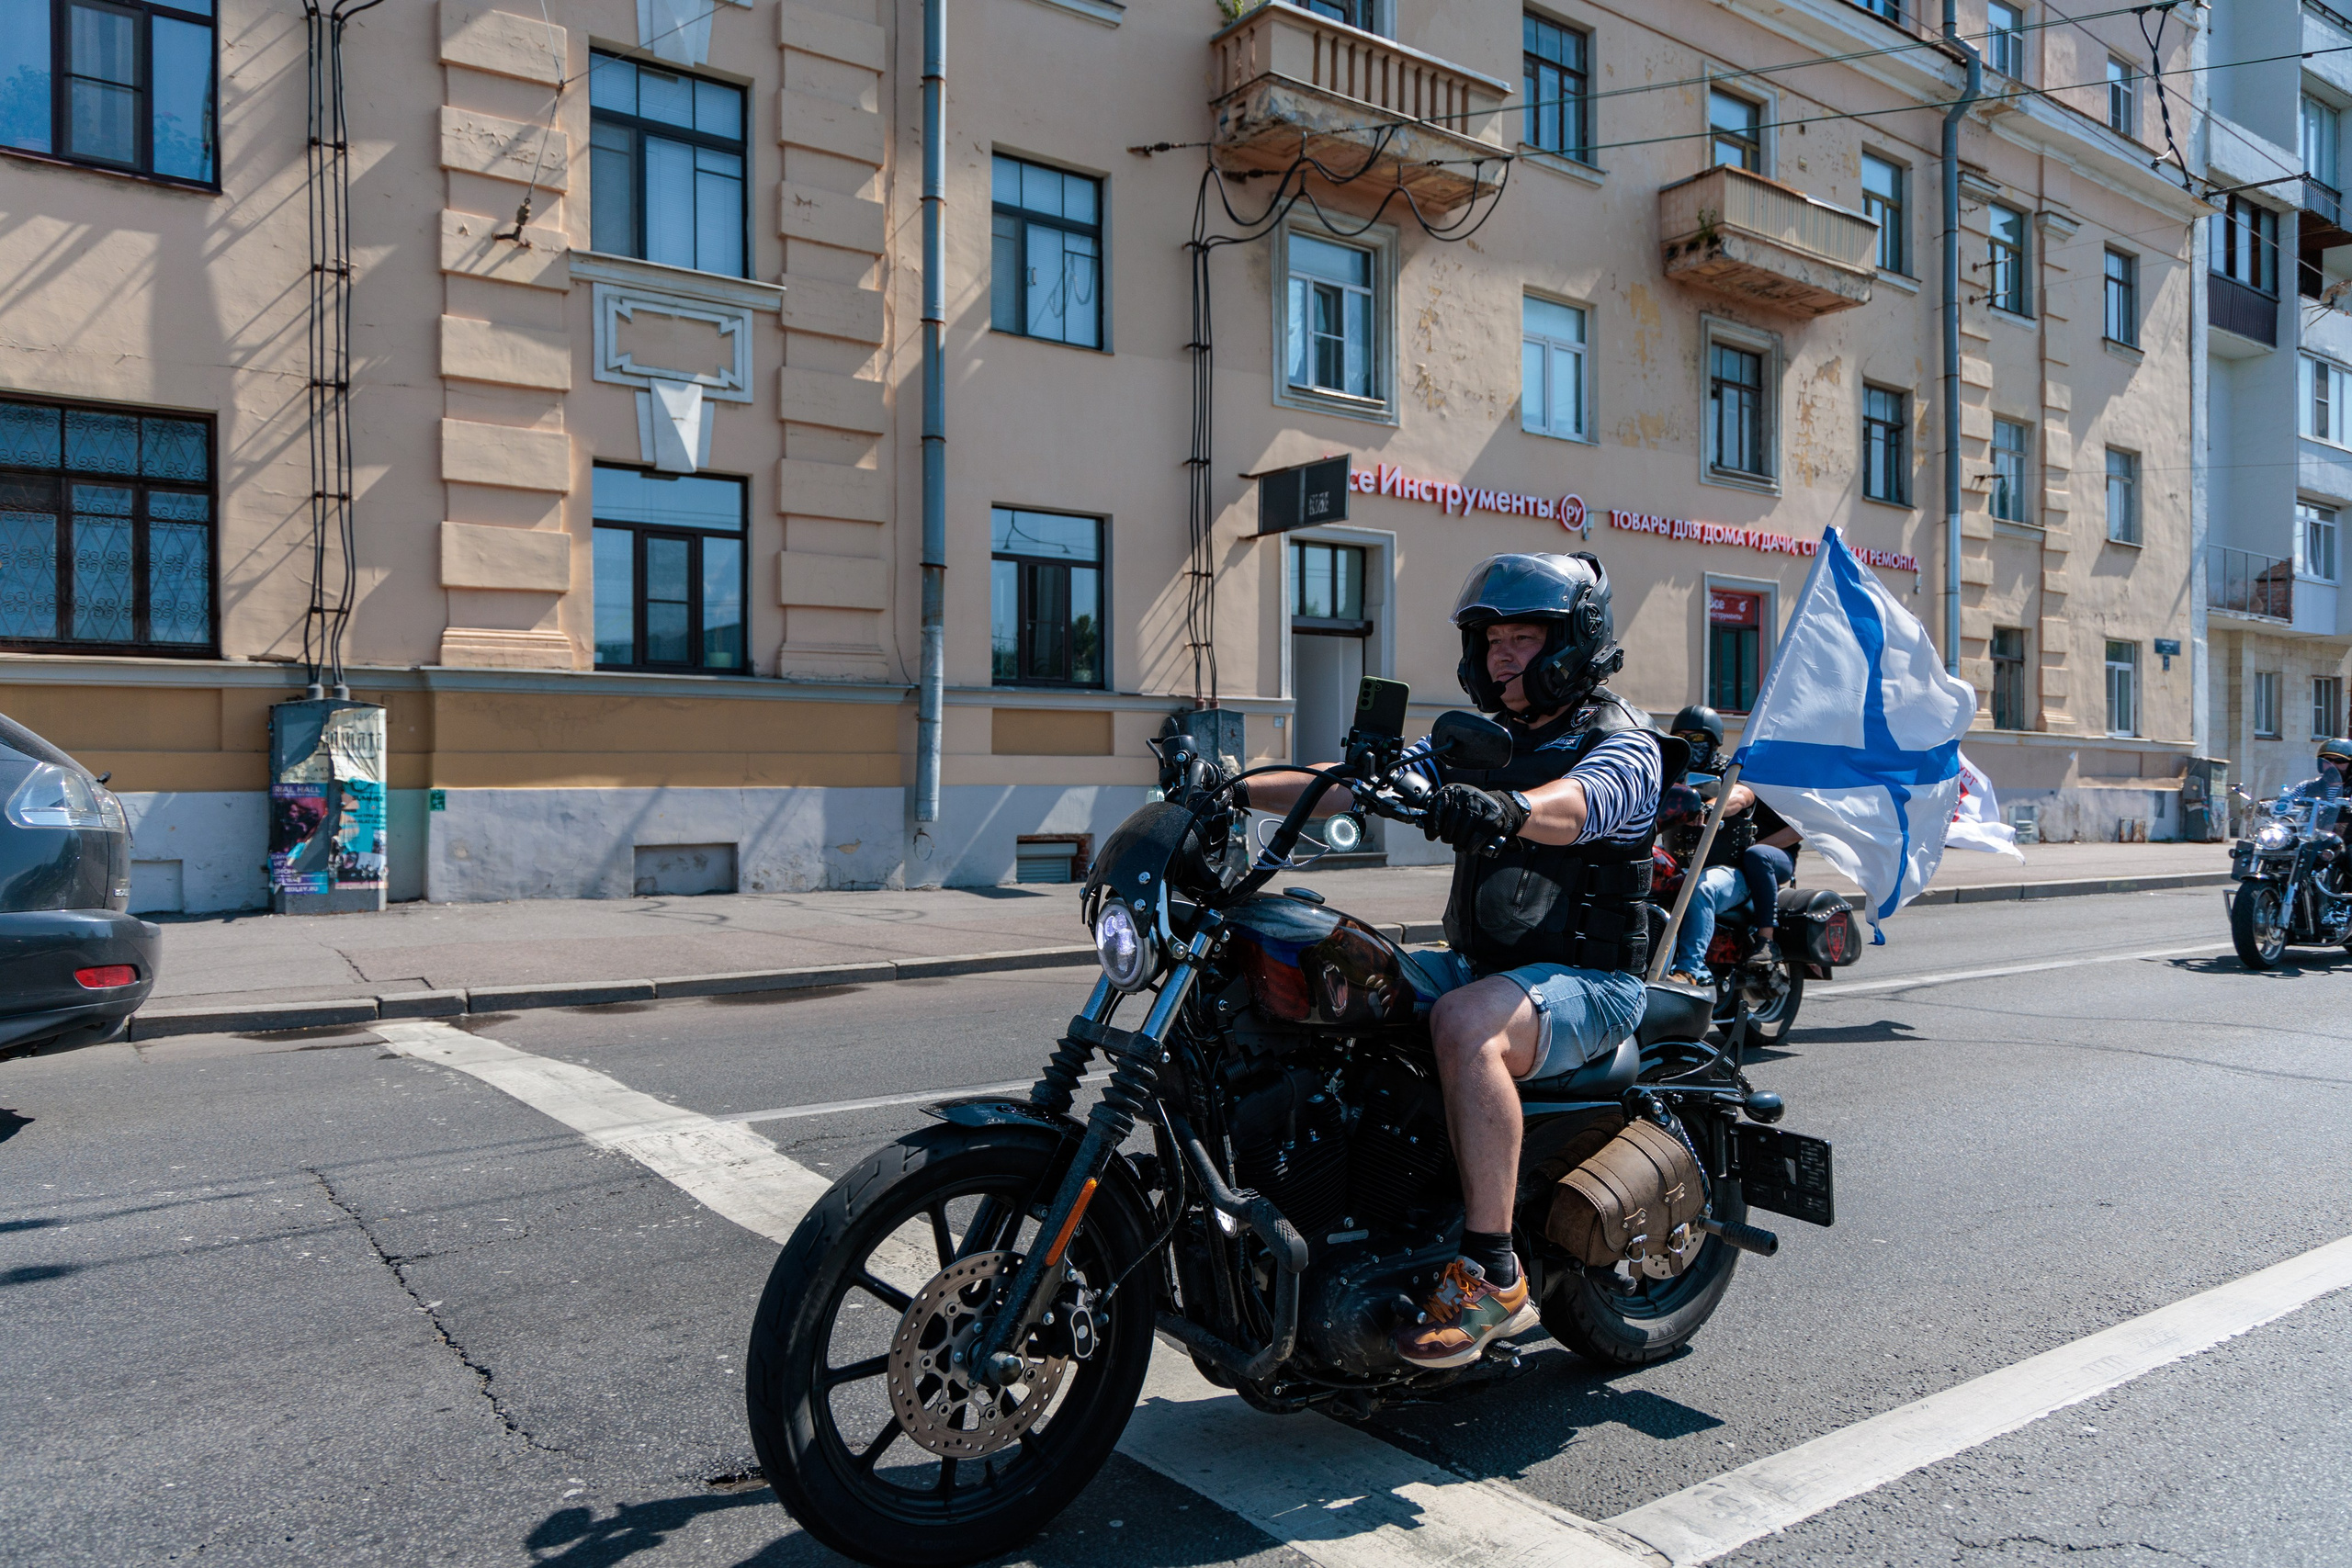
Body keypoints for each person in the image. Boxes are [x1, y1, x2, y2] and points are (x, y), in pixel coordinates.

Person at [1244, 552, 1664, 1369]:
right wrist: (1231, 787)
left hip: (1592, 982)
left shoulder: (1624, 743)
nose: (1505, 654)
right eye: (1494, 640)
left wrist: (1506, 807)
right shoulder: (1481, 740)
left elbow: (1579, 807)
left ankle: (1491, 1272)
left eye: (1525, 638)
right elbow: (1356, 787)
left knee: (1466, 1025)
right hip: (1488, 962)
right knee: (1334, 969)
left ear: (1573, 642)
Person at [1661, 705, 1802, 987]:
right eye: (1682, 736)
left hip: (1730, 869)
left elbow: (1741, 796)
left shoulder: (1732, 770)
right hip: (1681, 863)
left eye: (1698, 738)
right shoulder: (1671, 773)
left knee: (1701, 888)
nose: (1690, 743)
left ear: (1713, 740)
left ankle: (1690, 968)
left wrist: (1709, 807)